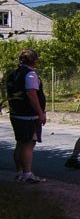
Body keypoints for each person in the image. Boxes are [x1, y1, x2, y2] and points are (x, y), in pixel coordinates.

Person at [6, 49, 47, 183]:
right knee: (28, 144)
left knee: (20, 143)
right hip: (28, 115)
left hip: (15, 113)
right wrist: (40, 113)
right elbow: (31, 94)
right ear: (34, 60)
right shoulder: (30, 75)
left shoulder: (13, 74)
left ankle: (19, 172)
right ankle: (28, 174)